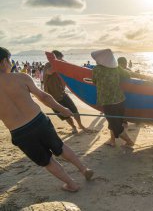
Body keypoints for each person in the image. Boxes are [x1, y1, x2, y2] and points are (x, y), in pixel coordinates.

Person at [0, 47, 93, 192]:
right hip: (39, 121)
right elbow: (44, 97)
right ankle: (84, 169)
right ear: (5, 61)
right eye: (10, 60)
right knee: (60, 147)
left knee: (47, 161)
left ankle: (71, 184)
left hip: (20, 132)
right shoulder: (21, 77)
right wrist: (63, 109)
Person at [91, 49, 134, 147]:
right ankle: (112, 141)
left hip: (108, 102)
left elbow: (94, 81)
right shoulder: (116, 68)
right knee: (113, 122)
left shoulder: (97, 69)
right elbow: (128, 75)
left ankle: (129, 142)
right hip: (120, 100)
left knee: (116, 126)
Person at [44, 50, 88, 134]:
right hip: (52, 98)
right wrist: (59, 64)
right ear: (55, 58)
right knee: (64, 114)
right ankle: (74, 127)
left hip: (62, 93)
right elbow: (49, 72)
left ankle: (80, 125)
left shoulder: (60, 67)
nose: (62, 61)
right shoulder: (48, 65)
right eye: (60, 59)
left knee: (74, 110)